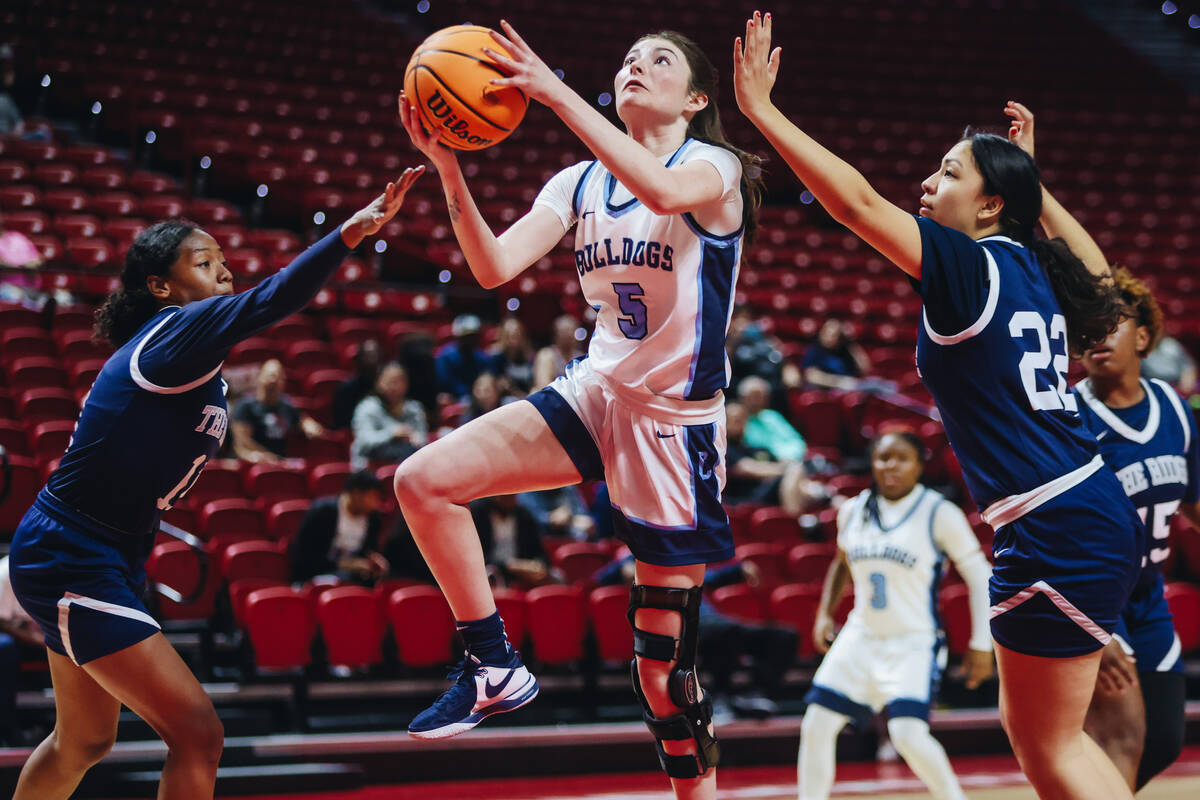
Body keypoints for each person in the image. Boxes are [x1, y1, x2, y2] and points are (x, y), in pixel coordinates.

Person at [734, 16, 1137, 799]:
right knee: (1053, 742)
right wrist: (1031, 180)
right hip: (1085, 508)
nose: (927, 184)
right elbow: (1100, 277)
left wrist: (764, 113)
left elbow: (853, 204)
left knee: (1047, 748)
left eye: (948, 173)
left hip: (1052, 519)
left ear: (989, 208)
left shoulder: (967, 264)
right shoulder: (1033, 267)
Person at [396, 20, 761, 798]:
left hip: (673, 424)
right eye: (628, 57)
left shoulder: (712, 166)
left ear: (697, 99)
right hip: (595, 391)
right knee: (421, 482)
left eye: (659, 60)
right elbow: (493, 268)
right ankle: (491, 662)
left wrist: (552, 89)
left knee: (663, 675)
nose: (637, 65)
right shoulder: (578, 182)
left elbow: (661, 191)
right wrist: (450, 167)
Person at [5, 167, 422, 800]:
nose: (223, 271)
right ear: (162, 287)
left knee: (84, 740)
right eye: (205, 262)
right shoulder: (174, 333)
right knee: (198, 733)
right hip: (72, 551)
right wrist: (350, 232)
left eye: (224, 260)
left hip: (109, 550)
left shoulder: (196, 360)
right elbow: (274, 299)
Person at [798, 431, 993, 800]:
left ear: (919, 465)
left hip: (912, 641)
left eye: (902, 458)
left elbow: (981, 576)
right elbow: (841, 562)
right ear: (872, 462)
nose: (891, 466)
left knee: (907, 735)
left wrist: (981, 643)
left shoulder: (939, 512)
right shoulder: (853, 510)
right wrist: (825, 612)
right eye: (883, 457)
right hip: (861, 634)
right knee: (817, 724)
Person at [1074, 275, 1196, 785]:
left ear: (1144, 337)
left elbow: (1194, 501)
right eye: (1086, 327)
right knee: (1119, 737)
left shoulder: (1176, 411)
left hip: (1147, 597)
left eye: (1113, 323)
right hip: (1088, 596)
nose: (1097, 334)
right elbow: (1054, 534)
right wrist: (1095, 631)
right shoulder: (1068, 418)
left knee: (1164, 739)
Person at [594, 553, 797, 720]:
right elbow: (598, 580)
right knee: (724, 632)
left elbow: (712, 577)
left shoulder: (682, 568)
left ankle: (754, 693)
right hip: (679, 628)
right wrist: (628, 566)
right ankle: (719, 698)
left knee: (785, 637)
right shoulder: (636, 560)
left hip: (715, 624)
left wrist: (739, 569)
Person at [289, 470, 390, 585]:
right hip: (316, 575)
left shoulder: (373, 518)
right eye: (373, 497)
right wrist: (347, 564)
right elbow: (306, 557)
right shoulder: (322, 512)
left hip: (353, 578)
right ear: (356, 493)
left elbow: (368, 550)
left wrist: (373, 560)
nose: (376, 504)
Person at [724, 401, 817, 515]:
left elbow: (777, 463)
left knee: (808, 486)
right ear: (725, 423)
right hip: (748, 497)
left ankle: (823, 500)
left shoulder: (756, 448)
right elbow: (748, 468)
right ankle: (796, 521)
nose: (741, 423)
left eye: (743, 419)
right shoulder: (725, 448)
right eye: (736, 420)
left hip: (771, 491)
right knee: (796, 470)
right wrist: (787, 470)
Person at [231, 358, 324, 463]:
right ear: (259, 378)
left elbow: (301, 420)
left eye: (278, 377)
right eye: (270, 376)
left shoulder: (286, 406)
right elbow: (241, 444)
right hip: (255, 462)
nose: (273, 380)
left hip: (281, 462)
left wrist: (308, 424)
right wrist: (263, 457)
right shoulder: (246, 406)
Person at [350, 362, 428, 468]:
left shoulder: (414, 409)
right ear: (378, 383)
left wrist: (415, 438)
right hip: (372, 469)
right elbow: (364, 442)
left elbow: (422, 440)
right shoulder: (367, 408)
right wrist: (392, 434)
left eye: (399, 381)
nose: (395, 386)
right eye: (390, 381)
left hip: (406, 468)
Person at [0, 554, 43, 746]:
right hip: (8, 634)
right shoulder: (5, 572)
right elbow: (2, 622)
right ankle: (8, 731)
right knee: (5, 647)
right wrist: (37, 639)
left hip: (32, 634)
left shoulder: (58, 566)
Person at [469, 494, 554, 590]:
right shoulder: (477, 512)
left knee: (556, 577)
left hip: (523, 577)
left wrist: (537, 566)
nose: (512, 498)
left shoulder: (524, 514)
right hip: (488, 577)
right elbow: (474, 559)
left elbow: (539, 552)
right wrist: (509, 566)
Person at [737, 375, 806, 462]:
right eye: (754, 396)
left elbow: (797, 442)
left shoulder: (772, 416)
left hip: (785, 461)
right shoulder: (737, 418)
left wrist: (787, 457)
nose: (757, 401)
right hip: (757, 464)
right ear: (742, 397)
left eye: (761, 396)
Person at [801, 318, 871, 391]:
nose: (828, 338)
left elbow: (865, 369)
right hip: (831, 390)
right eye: (825, 333)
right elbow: (811, 376)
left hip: (851, 388)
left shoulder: (844, 350)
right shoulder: (815, 350)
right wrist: (839, 382)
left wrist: (850, 343)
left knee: (876, 385)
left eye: (833, 335)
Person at [434, 314, 491, 402]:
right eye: (467, 336)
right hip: (455, 399)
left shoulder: (479, 356)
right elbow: (445, 384)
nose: (470, 340)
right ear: (458, 337)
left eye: (473, 336)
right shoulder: (446, 356)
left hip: (478, 398)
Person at [332, 339, 383, 430]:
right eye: (367, 357)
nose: (371, 361)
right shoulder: (346, 389)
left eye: (374, 356)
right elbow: (341, 424)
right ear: (359, 360)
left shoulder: (386, 389)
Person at [532, 314, 585, 389]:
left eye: (572, 331)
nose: (569, 334)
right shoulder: (547, 355)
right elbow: (542, 385)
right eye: (564, 331)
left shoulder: (581, 357)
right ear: (556, 334)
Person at [490, 317, 536, 396]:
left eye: (516, 333)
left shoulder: (531, 357)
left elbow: (535, 383)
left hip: (528, 397)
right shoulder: (496, 358)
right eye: (509, 334)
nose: (513, 337)